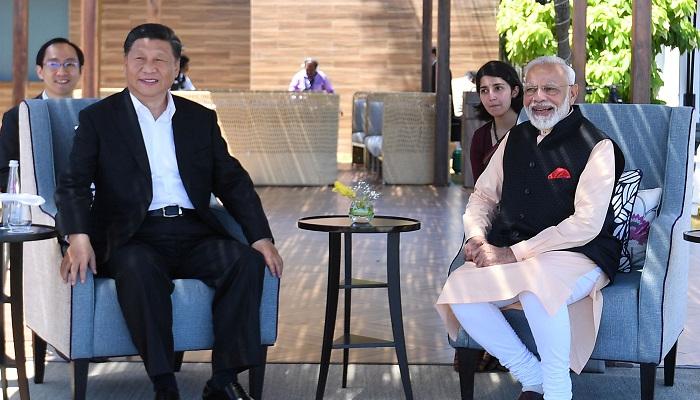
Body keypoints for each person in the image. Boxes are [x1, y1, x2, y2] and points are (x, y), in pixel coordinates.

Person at [55, 23, 283, 400]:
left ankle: (223, 380)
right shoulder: (99, 118)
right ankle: (164, 383)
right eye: (139, 59)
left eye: (160, 60)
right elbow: (73, 183)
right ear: (126, 64)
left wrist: (260, 237)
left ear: (176, 67)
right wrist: (77, 236)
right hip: (132, 235)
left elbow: (232, 181)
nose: (149, 68)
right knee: (139, 270)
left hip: (193, 230)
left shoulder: (199, 119)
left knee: (245, 263)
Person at [436, 55, 625, 400]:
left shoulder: (598, 146)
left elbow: (586, 225)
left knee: (538, 288)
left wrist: (512, 253)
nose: (539, 97)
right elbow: (483, 196)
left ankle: (557, 390)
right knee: (458, 289)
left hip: (579, 253)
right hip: (517, 251)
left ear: (573, 93)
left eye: (550, 89)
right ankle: (531, 376)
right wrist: (476, 235)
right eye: (532, 89)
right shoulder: (516, 137)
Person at [0, 37, 84, 190]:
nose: (62, 72)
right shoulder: (17, 116)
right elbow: (5, 173)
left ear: (80, 71)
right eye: (53, 64)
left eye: (70, 64)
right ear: (40, 71)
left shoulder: (92, 115)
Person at [470, 60, 523, 182]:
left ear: (514, 91)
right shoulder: (480, 138)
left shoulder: (534, 131)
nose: (491, 97)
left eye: (498, 88)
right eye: (484, 90)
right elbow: (480, 186)